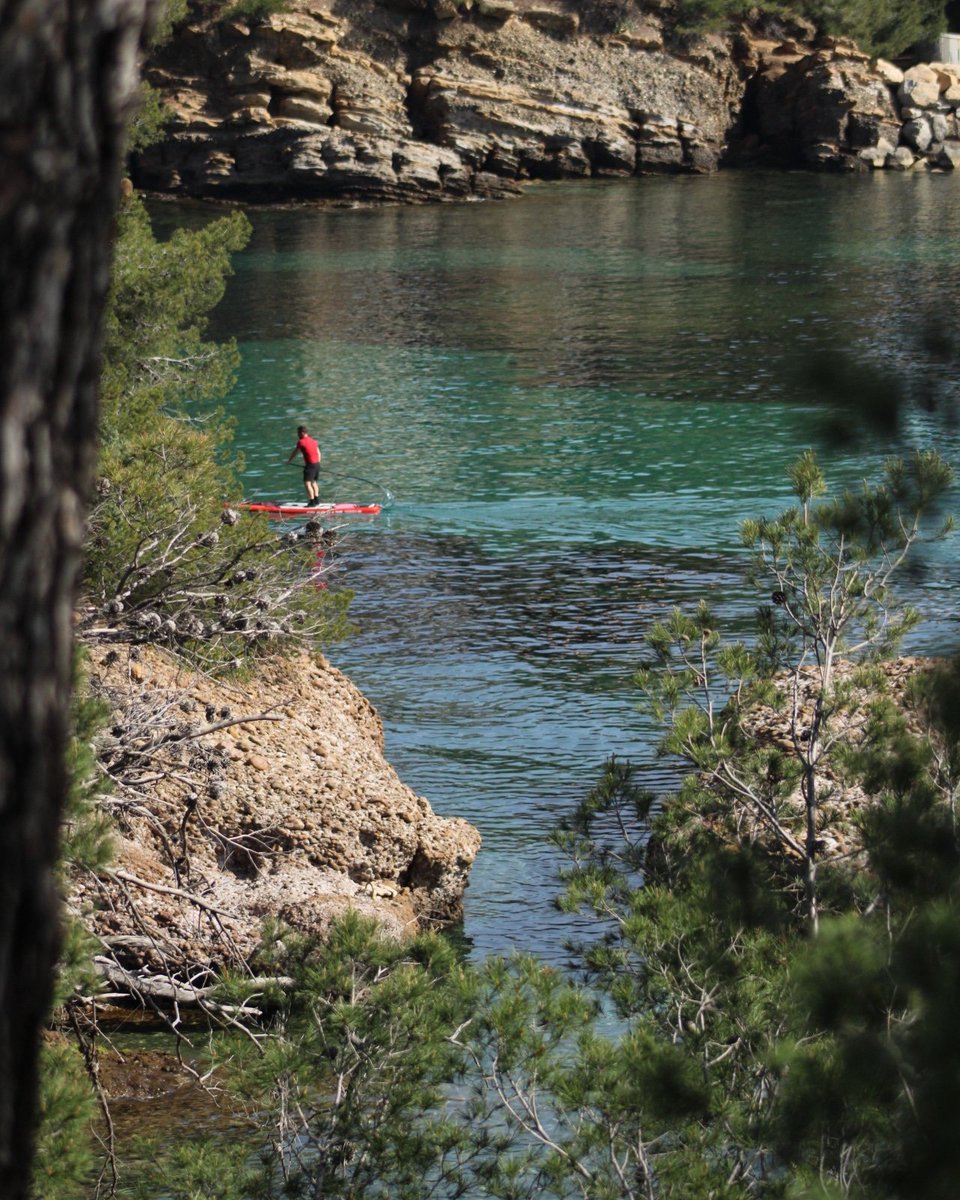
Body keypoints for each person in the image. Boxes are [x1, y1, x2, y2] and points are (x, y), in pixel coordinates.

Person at [287, 424, 322, 505]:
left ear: (302, 433)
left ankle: (311, 502)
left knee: (307, 483)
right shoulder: (313, 441)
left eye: (298, 433)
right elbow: (319, 453)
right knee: (313, 482)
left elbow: (295, 452)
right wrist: (317, 464)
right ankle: (316, 500)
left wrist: (289, 460)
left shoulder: (301, 442)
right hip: (317, 464)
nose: (298, 435)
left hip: (310, 465)